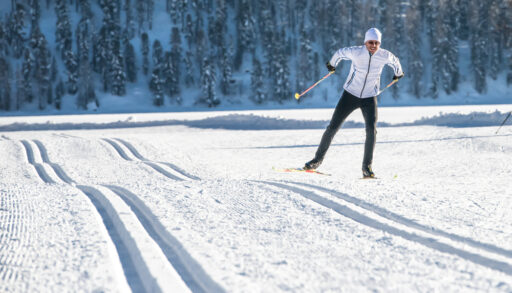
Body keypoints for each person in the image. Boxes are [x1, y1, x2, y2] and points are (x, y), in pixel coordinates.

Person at [304, 28, 404, 178]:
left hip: (370, 98)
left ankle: (367, 167)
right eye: (371, 42)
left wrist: (398, 73)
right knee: (332, 127)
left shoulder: (384, 55)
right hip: (350, 95)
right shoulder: (356, 52)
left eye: (376, 43)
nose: (373, 45)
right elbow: (339, 53)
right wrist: (332, 65)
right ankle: (316, 161)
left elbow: (395, 61)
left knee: (372, 130)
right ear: (365, 42)